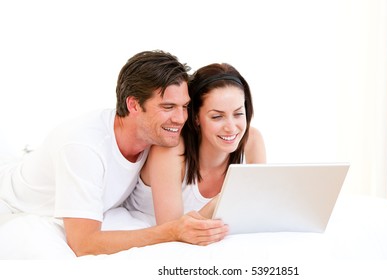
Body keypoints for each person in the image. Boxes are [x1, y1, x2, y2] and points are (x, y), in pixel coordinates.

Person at [0, 50, 228, 257]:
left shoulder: (157, 134)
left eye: (185, 106)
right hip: (10, 203)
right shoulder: (84, 146)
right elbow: (84, 243)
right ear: (134, 105)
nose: (180, 118)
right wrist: (170, 232)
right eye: (168, 107)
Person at [124, 62, 266, 227]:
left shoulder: (252, 139)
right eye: (217, 117)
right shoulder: (170, 150)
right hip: (143, 231)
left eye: (238, 114)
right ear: (196, 117)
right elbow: (173, 230)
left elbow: (258, 207)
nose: (231, 127)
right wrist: (224, 199)